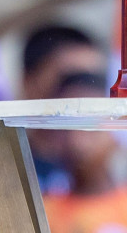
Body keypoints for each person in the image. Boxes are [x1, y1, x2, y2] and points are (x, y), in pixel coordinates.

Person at [41, 72, 127, 233]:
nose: (76, 141)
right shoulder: (44, 210)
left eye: (91, 127)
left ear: (118, 132)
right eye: (67, 127)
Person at [22, 25, 109, 194]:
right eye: (71, 78)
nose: (86, 92)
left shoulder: (107, 175)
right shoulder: (6, 170)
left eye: (95, 79)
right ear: (29, 82)